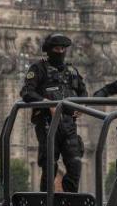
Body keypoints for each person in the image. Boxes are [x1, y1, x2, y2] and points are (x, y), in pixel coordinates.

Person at [20, 33, 88, 192]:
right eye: (57, 49)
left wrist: (81, 105)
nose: (60, 52)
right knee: (49, 165)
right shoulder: (38, 68)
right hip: (47, 124)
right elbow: (26, 92)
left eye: (63, 49)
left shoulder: (71, 70)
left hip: (68, 124)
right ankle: (46, 203)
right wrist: (46, 103)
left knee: (75, 163)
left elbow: (83, 91)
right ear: (49, 50)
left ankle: (69, 201)